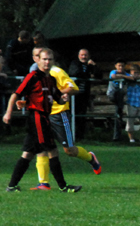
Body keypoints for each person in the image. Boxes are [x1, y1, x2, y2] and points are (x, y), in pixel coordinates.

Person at [3, 48, 82, 193]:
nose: (47, 62)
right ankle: (64, 187)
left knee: (28, 153)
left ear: (53, 61)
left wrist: (63, 98)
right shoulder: (32, 76)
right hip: (37, 118)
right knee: (52, 150)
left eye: (50, 59)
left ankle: (12, 186)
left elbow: (57, 97)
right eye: (44, 59)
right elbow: (16, 94)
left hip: (43, 117)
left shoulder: (51, 79)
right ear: (37, 60)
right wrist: (8, 113)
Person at [31, 49, 101, 189]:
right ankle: (43, 183)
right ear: (35, 58)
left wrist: (55, 94)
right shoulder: (35, 74)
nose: (44, 60)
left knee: (69, 150)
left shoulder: (57, 72)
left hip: (59, 114)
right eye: (39, 57)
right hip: (43, 114)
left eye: (46, 58)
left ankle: (90, 158)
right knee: (41, 147)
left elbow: (73, 88)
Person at [67, 49, 97, 139]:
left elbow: (99, 74)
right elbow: (75, 73)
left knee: (82, 116)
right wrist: (88, 75)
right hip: (74, 95)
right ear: (79, 56)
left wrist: (94, 66)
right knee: (72, 114)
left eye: (86, 55)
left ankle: (80, 137)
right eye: (82, 55)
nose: (84, 57)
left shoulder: (90, 65)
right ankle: (69, 136)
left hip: (84, 94)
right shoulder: (75, 63)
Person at [121, 63, 140, 144]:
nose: (136, 74)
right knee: (130, 121)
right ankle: (131, 139)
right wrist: (131, 78)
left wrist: (139, 78)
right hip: (131, 102)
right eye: (134, 72)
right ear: (131, 72)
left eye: (137, 73)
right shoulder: (128, 79)